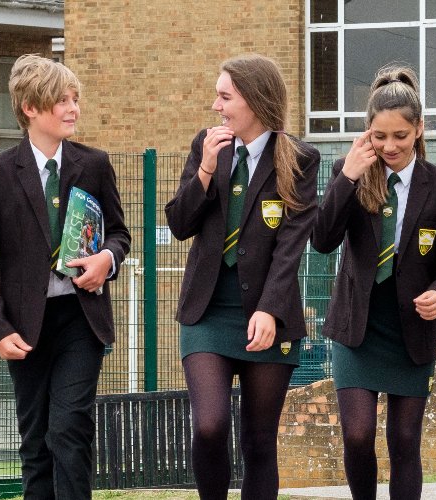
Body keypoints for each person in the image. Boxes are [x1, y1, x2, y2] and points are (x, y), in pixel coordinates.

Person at [0, 54, 130, 500]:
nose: (73, 108)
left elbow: (119, 233)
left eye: (75, 99)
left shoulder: (94, 164)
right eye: (62, 100)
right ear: (31, 109)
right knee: (36, 442)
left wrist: (106, 261)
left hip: (81, 319)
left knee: (69, 428)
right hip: (24, 328)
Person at [164, 54, 320, 500]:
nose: (216, 105)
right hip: (207, 312)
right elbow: (179, 224)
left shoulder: (300, 158)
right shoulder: (206, 145)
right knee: (210, 425)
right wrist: (206, 169)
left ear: (253, 100)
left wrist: (270, 308)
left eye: (224, 95)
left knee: (258, 442)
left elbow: (291, 245)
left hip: (270, 314)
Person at [309, 65, 436, 500]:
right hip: (356, 327)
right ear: (367, 133)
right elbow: (322, 241)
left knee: (404, 442)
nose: (389, 146)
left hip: (410, 330)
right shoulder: (349, 171)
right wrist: (348, 177)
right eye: (380, 136)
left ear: (419, 129)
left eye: (400, 136)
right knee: (357, 434)